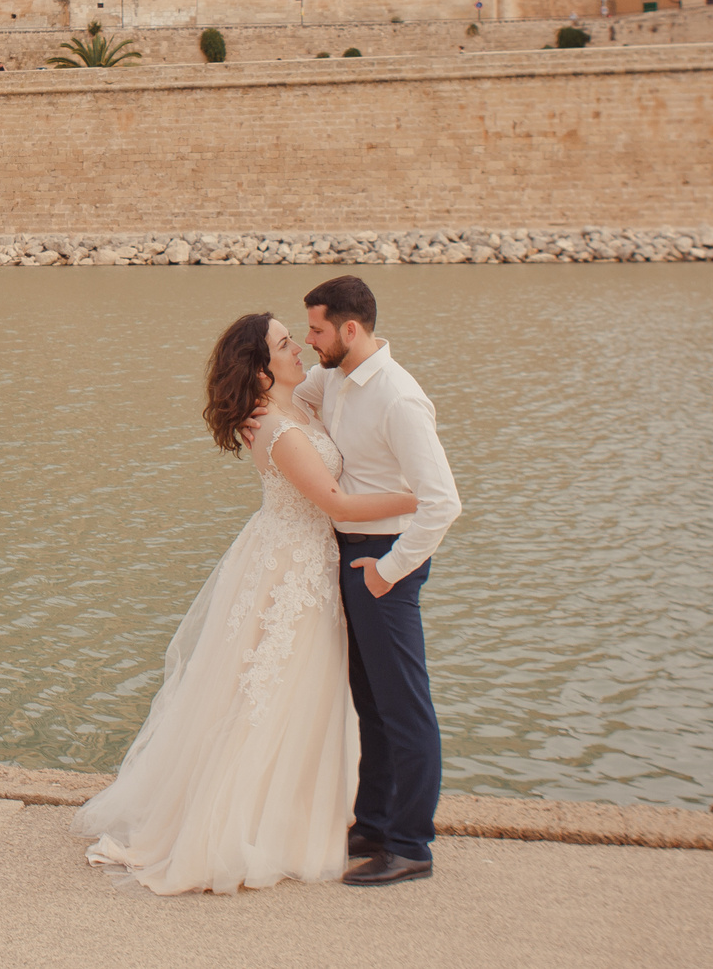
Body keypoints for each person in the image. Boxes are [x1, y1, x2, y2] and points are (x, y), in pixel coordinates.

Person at [76, 312, 418, 895]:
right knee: (275, 691)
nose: (300, 350)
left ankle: (300, 816)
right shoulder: (278, 431)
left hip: (301, 559)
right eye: (287, 345)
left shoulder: (297, 404)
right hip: (293, 569)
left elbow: (346, 378)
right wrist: (417, 499)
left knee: (300, 692)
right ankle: (243, 827)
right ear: (261, 372)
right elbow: (333, 501)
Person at [268, 274, 462, 886]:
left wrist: (388, 572)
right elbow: (286, 391)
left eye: (318, 329)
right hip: (350, 554)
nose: (309, 339)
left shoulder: (399, 399)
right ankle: (373, 823)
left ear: (350, 329)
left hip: (385, 560)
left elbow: (443, 503)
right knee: (371, 703)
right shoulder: (337, 376)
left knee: (405, 707)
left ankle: (411, 845)